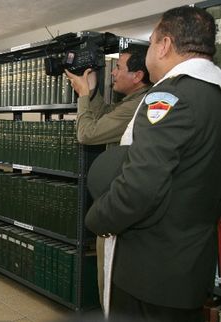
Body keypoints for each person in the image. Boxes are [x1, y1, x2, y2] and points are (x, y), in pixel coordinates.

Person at [85, 6, 221, 322]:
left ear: (164, 45)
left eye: (150, 41)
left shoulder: (170, 98)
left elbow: (140, 187)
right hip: (189, 266)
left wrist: (98, 218)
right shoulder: (212, 95)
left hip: (149, 272)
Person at [65, 45, 151, 305]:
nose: (113, 73)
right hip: (124, 200)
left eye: (119, 67)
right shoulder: (131, 101)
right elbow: (103, 116)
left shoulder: (137, 106)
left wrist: (82, 95)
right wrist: (91, 89)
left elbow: (87, 134)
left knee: (110, 281)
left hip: (121, 204)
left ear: (137, 76)